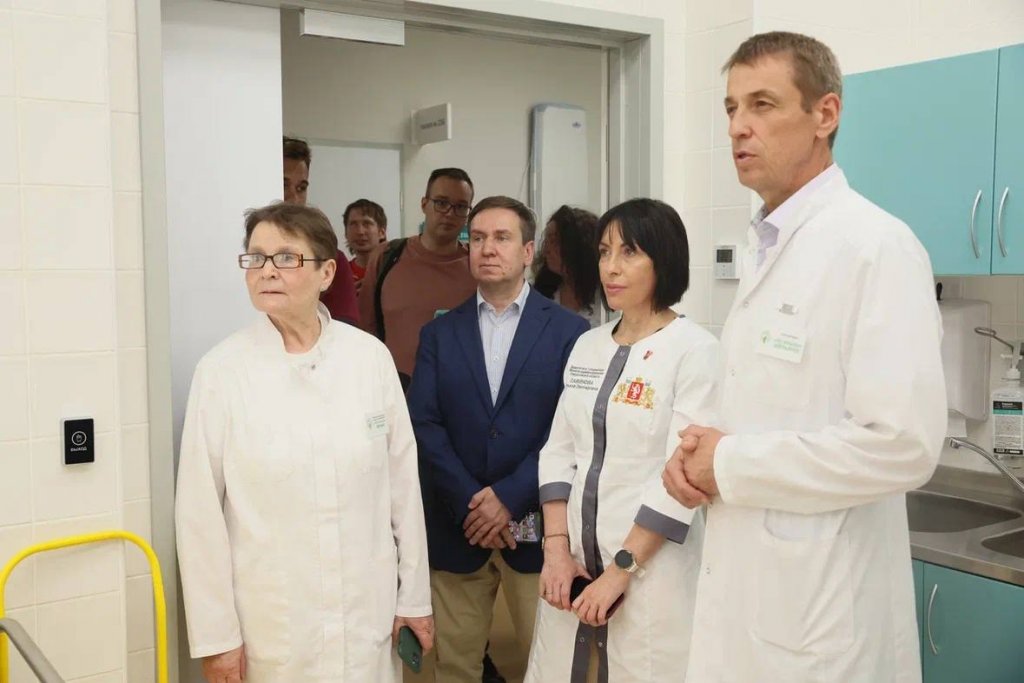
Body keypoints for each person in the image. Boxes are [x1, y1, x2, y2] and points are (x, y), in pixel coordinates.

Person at [661, 32, 946, 683]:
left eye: (761, 104)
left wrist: (728, 463)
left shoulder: (875, 246)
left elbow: (903, 444)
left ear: (825, 114)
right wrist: (701, 458)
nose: (738, 126)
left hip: (824, 624)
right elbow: (773, 406)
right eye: (731, 107)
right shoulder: (767, 244)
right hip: (752, 599)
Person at [176, 202, 433, 682]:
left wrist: (414, 599)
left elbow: (403, 490)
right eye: (256, 257)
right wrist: (217, 638)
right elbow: (199, 516)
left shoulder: (369, 360)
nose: (267, 271)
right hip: (273, 627)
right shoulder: (222, 372)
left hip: (366, 618)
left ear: (326, 273)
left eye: (286, 258)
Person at [524, 198, 719, 683]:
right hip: (572, 570)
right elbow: (559, 452)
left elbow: (682, 478)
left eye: (629, 252)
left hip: (651, 575)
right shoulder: (587, 345)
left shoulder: (695, 352)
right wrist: (555, 550)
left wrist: (620, 571)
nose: (610, 267)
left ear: (663, 260)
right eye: (604, 252)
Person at [407, 196, 590, 683]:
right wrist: (474, 502)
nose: (487, 248)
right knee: (455, 667)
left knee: (547, 665)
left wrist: (508, 497)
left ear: (528, 251)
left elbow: (569, 429)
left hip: (538, 528)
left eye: (502, 238)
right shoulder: (439, 334)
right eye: (478, 238)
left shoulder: (571, 333)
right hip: (459, 526)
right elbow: (424, 425)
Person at [358, 168, 478, 383]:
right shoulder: (387, 256)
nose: (449, 213)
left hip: (459, 388)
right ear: (424, 204)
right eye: (441, 202)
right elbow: (365, 327)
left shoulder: (477, 266)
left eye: (460, 206)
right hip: (395, 387)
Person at [283, 135, 360, 325]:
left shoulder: (330, 259)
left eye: (301, 188)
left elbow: (345, 330)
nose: (293, 198)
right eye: (284, 185)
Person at [532, 205, 605, 328]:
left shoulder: (607, 298)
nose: (546, 250)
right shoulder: (540, 295)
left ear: (578, 247)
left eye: (554, 242)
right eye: (547, 241)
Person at [343, 198, 387, 291]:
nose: (360, 231)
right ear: (346, 233)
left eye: (367, 224)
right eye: (353, 224)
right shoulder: (339, 273)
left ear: (381, 232)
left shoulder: (394, 271)